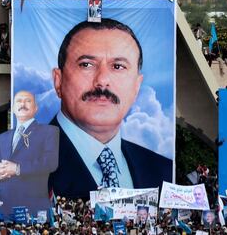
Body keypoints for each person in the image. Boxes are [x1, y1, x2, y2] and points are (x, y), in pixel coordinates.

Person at [48, 18, 172, 199]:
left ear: (136, 87)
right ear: (58, 81)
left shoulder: (164, 171)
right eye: (86, 64)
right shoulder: (23, 166)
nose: (102, 80)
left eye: (118, 66)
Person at [0, 90, 59, 218]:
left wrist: (17, 169)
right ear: (13, 109)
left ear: (35, 108)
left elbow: (50, 163)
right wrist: (0, 171)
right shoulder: (1, 138)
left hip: (34, 207)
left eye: (28, 101)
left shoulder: (49, 131)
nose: (23, 103)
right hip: (5, 208)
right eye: (18, 101)